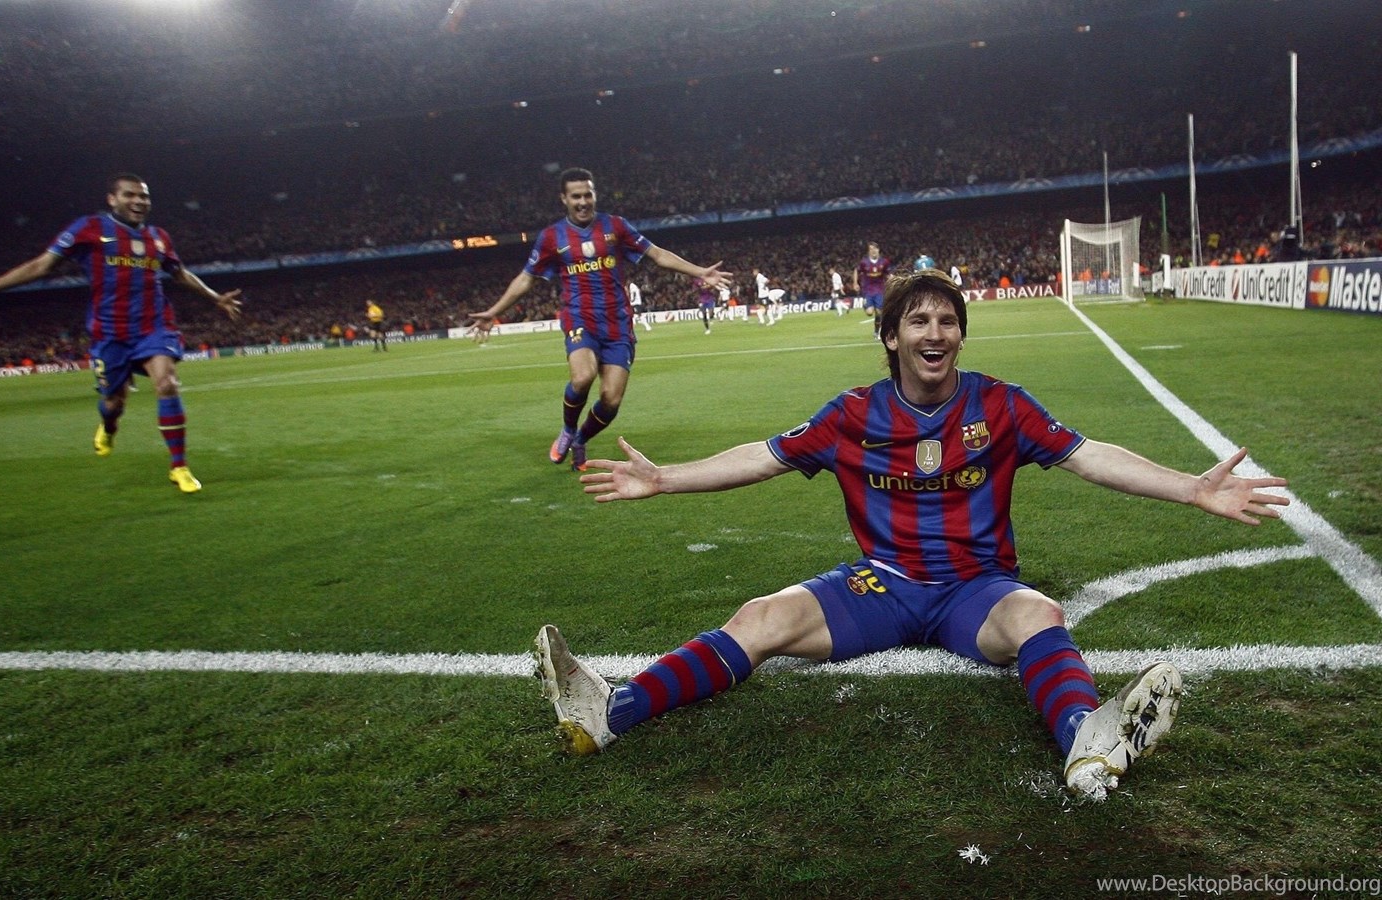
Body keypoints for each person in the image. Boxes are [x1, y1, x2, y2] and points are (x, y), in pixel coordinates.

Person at [535, 268, 1290, 801]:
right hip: (883, 586)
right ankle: (610, 715)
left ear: (961, 335)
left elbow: (1091, 456)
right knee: (759, 619)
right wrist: (666, 478)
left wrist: (1192, 487)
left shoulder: (1001, 404)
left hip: (976, 592)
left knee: (1039, 613)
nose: (937, 333)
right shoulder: (851, 414)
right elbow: (762, 457)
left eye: (948, 321)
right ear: (891, 336)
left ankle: (1087, 742)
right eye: (919, 321)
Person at [0, 173, 242, 493]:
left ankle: (179, 467)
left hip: (154, 326)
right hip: (109, 333)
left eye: (144, 196)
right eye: (130, 195)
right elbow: (42, 265)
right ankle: (109, 426)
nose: (139, 201)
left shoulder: (158, 237)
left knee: (167, 383)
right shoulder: (89, 228)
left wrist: (215, 297)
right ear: (112, 199)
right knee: (114, 402)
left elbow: (179, 273)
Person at [468, 168, 730, 471]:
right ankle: (568, 430)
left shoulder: (615, 226)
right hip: (579, 317)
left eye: (587, 195)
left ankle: (581, 439)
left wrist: (700, 271)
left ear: (594, 195)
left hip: (618, 323)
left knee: (611, 400)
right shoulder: (552, 236)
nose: (583, 202)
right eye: (576, 196)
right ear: (564, 198)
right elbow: (526, 278)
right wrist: (494, 311)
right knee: (582, 377)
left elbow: (657, 254)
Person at [852, 242, 890, 338]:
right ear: (868, 251)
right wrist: (855, 283)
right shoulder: (864, 262)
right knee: (869, 313)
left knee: (879, 312)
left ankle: (877, 332)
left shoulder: (884, 262)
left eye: (875, 249)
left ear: (878, 250)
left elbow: (888, 273)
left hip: (879, 290)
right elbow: (856, 270)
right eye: (871, 249)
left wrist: (893, 280)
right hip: (867, 290)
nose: (873, 251)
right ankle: (865, 305)